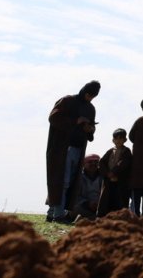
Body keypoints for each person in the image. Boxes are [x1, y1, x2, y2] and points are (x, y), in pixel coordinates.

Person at [46, 80, 100, 222]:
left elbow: (91, 130)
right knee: (61, 180)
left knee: (69, 182)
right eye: (89, 95)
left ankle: (53, 212)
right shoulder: (67, 101)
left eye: (92, 97)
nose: (90, 98)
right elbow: (53, 117)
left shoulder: (90, 109)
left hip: (78, 148)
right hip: (62, 148)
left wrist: (90, 129)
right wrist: (76, 120)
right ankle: (57, 214)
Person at [98, 128, 133, 216]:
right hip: (109, 182)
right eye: (116, 138)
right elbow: (101, 162)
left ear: (125, 140)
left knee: (120, 203)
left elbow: (123, 163)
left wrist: (113, 172)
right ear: (113, 140)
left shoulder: (126, 151)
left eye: (121, 138)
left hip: (121, 182)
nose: (118, 140)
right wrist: (107, 173)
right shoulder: (110, 151)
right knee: (106, 202)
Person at [69, 154, 103, 221]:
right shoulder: (78, 178)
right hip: (84, 206)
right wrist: (88, 203)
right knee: (73, 209)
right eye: (90, 162)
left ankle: (89, 219)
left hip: (101, 206)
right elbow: (76, 196)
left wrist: (100, 203)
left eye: (96, 162)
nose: (93, 164)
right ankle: (95, 219)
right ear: (84, 164)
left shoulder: (103, 177)